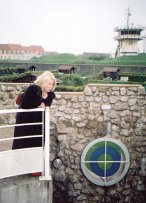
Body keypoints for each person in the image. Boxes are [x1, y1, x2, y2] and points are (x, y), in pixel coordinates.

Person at [12, 71, 56, 150]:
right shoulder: (33, 88)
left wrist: (42, 105)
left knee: (37, 145)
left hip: (39, 122)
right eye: (49, 83)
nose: (51, 86)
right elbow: (25, 104)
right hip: (26, 121)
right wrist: (38, 106)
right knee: (23, 144)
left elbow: (47, 104)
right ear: (43, 82)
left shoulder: (50, 94)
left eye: (52, 84)